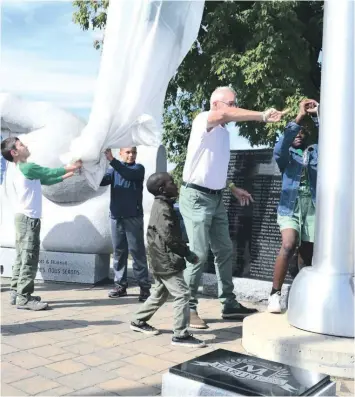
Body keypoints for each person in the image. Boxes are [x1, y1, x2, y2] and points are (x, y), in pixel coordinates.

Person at [179, 86, 285, 329]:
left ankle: (228, 304)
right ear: (216, 105)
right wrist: (262, 115)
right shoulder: (203, 120)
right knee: (198, 253)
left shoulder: (224, 134)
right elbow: (225, 116)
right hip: (196, 197)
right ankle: (187, 307)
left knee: (225, 250)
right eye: (230, 103)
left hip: (215, 199)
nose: (234, 106)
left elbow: (211, 167)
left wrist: (232, 188)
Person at [1, 137, 82, 311]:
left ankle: (16, 292)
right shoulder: (28, 167)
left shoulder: (19, 169)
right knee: (29, 257)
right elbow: (48, 172)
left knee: (22, 256)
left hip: (22, 218)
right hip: (29, 219)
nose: (26, 145)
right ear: (14, 152)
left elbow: (45, 180)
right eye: (21, 144)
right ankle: (24, 297)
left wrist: (69, 174)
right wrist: (73, 166)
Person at [130, 172, 205, 347]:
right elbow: (169, 238)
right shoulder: (163, 209)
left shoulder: (162, 204)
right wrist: (188, 253)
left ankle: (138, 320)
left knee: (159, 294)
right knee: (182, 294)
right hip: (166, 260)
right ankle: (180, 335)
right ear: (163, 189)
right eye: (171, 182)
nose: (176, 183)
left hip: (159, 259)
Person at [268, 99, 319, 313]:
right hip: (290, 206)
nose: (298, 135)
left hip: (314, 207)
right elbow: (282, 144)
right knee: (289, 244)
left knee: (307, 254)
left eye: (301, 132)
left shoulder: (316, 151)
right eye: (295, 132)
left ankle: (301, 297)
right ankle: (274, 294)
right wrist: (299, 116)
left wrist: (317, 116)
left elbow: (335, 142)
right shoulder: (285, 155)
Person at [100, 147, 151, 302]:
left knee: (137, 252)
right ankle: (120, 286)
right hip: (116, 217)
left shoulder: (138, 168)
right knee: (119, 252)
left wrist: (112, 160)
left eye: (133, 152)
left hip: (133, 217)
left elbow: (128, 174)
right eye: (127, 152)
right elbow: (101, 181)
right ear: (121, 153)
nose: (131, 155)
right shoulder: (113, 170)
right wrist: (86, 170)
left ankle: (144, 287)